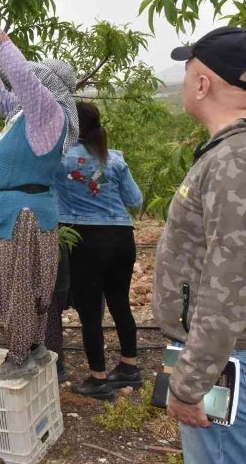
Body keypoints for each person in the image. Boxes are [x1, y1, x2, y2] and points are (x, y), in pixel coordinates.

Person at [155, 26, 246, 463]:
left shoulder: (238, 160)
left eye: (187, 74)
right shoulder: (241, 151)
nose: (185, 85)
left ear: (202, 84)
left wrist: (190, 383)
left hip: (226, 357)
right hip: (220, 349)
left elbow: (230, 284)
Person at [0, 18, 78, 380]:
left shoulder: (47, 113)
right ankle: (34, 346)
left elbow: (24, 81)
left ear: (46, 88)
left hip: (15, 217)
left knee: (13, 287)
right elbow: (1, 96)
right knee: (32, 287)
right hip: (31, 214)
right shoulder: (32, 120)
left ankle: (18, 358)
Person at [54, 101, 143, 398]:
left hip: (85, 240)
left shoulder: (60, 159)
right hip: (121, 238)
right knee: (120, 303)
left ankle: (98, 379)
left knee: (91, 313)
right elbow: (135, 199)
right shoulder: (114, 159)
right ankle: (129, 367)